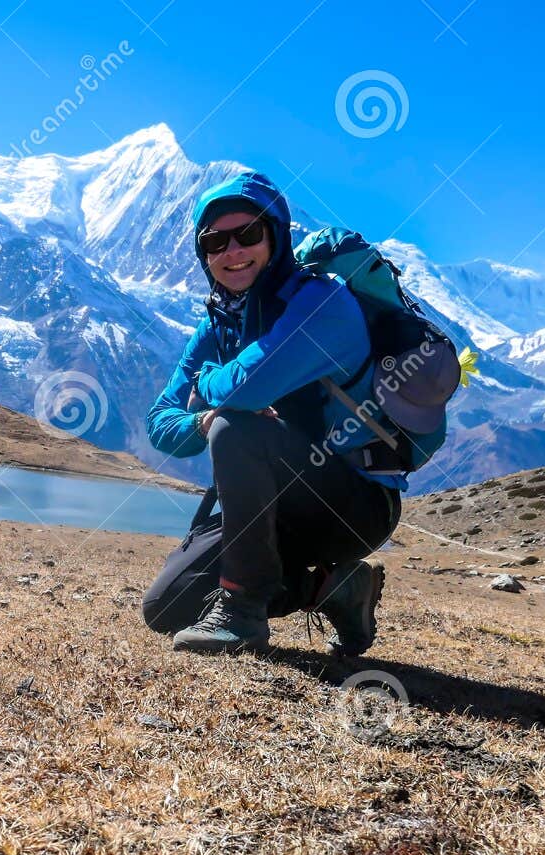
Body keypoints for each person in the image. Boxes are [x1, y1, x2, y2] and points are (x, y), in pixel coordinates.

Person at [142, 171, 401, 655]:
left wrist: (208, 388)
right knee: (168, 606)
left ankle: (242, 613)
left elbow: (243, 388)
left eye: (249, 234)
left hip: (352, 502)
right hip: (267, 509)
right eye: (215, 242)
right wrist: (200, 421)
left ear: (277, 236)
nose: (232, 251)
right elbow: (160, 421)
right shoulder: (219, 322)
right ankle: (337, 590)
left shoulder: (320, 303)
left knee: (234, 426)